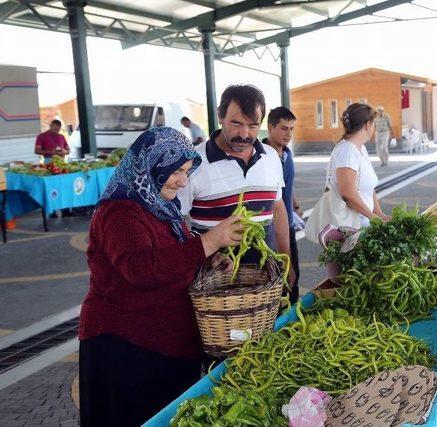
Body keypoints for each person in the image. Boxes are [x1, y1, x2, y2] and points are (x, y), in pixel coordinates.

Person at [79, 127, 244, 427]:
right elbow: (140, 269)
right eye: (176, 171)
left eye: (186, 171)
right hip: (126, 349)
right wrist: (209, 242)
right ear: (151, 165)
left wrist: (207, 260)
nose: (183, 181)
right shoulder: (121, 212)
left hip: (164, 343)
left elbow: (173, 256)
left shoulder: (159, 205)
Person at [178, 85, 296, 288]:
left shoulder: (270, 158)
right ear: (220, 116)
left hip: (266, 279)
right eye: (236, 123)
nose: (244, 133)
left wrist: (286, 260)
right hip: (213, 284)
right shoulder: (193, 163)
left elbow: (277, 208)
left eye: (253, 125)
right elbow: (175, 222)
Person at [327, 103, 388, 228]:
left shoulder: (360, 148)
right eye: (373, 124)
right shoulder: (348, 151)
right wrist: (374, 219)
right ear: (367, 125)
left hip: (361, 225)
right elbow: (347, 192)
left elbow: (368, 187)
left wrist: (378, 213)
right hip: (349, 228)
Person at [263, 106, 301, 303]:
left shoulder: (286, 154)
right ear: (270, 127)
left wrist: (293, 202)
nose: (289, 134)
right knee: (281, 276)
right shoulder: (262, 157)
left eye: (292, 129)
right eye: (284, 128)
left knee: (294, 276)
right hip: (272, 229)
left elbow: (284, 184)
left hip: (290, 225)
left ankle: (293, 317)